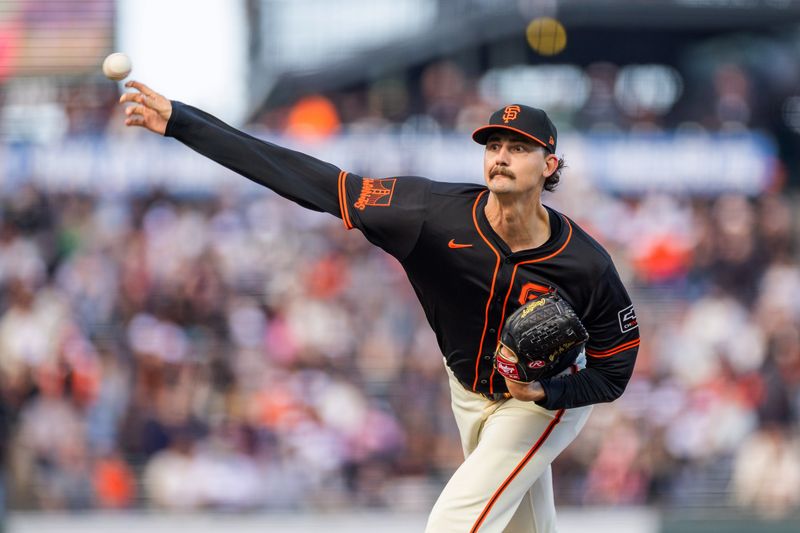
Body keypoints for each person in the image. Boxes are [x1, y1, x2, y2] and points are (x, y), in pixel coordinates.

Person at [119, 82, 640, 533]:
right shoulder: (428, 215)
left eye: (518, 148)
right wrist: (183, 124)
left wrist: (548, 390)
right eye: (493, 145)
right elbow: (311, 181)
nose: (500, 155)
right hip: (467, 386)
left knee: (455, 522)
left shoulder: (584, 264)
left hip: (543, 398)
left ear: (549, 165)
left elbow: (616, 370)